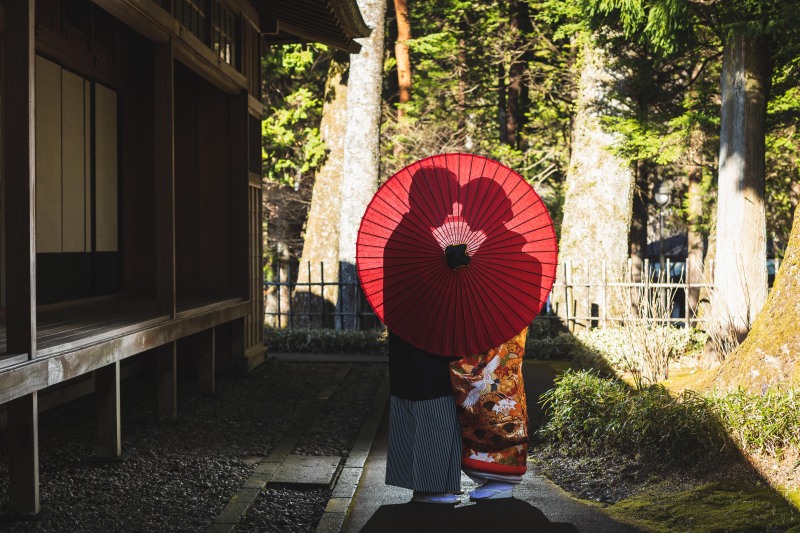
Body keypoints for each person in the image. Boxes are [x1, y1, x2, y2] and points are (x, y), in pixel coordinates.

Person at [382, 166, 463, 504]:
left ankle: (430, 486)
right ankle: (429, 489)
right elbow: (432, 293)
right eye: (447, 199)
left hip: (412, 337)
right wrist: (450, 269)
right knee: (434, 413)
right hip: (424, 339)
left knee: (420, 410)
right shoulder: (417, 239)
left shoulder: (411, 234)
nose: (449, 208)